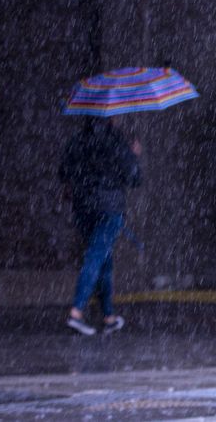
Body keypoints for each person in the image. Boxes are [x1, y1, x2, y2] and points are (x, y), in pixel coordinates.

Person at [58, 116, 142, 336]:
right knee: (95, 258)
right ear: (112, 116)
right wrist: (133, 156)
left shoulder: (78, 140)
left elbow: (63, 172)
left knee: (104, 261)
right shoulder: (117, 142)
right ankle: (76, 312)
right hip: (109, 209)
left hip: (83, 208)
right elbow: (134, 178)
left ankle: (109, 317)